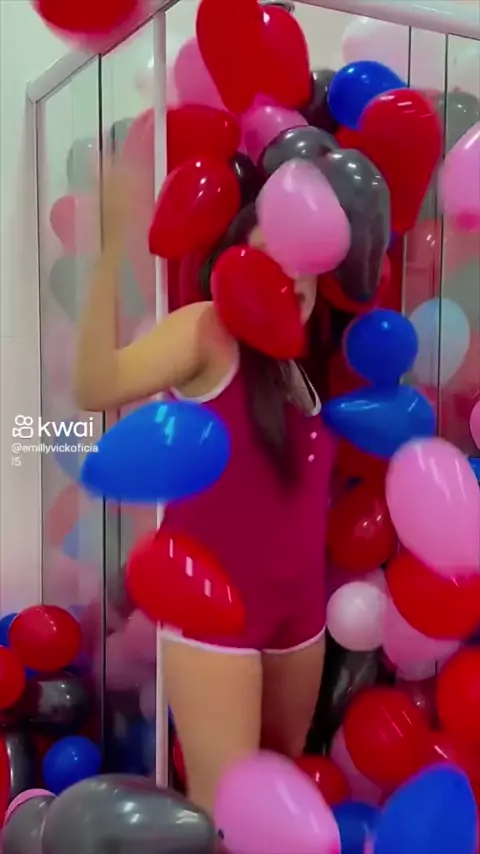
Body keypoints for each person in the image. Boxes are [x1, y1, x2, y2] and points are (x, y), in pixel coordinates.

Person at [75, 166, 337, 816]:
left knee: (276, 805)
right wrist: (108, 249)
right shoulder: (208, 332)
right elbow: (96, 385)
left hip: (300, 619)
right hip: (215, 612)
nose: (291, 276)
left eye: (300, 259)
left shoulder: (299, 368)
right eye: (271, 257)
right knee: (226, 812)